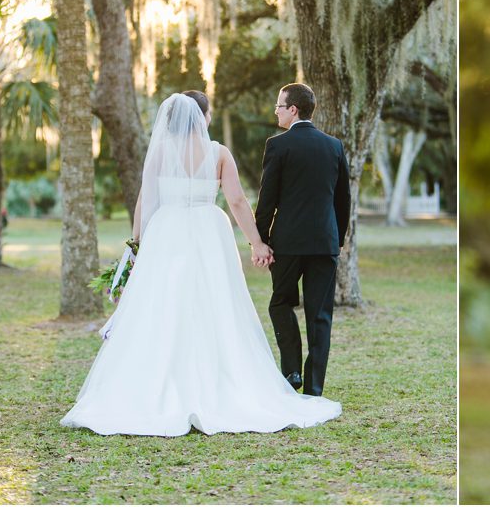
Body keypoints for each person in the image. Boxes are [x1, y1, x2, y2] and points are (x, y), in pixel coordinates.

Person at [61, 91, 341, 436]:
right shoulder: (218, 153)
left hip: (166, 231)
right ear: (203, 117)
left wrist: (137, 244)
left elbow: (144, 200)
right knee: (215, 303)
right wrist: (258, 242)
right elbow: (237, 201)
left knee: (163, 304)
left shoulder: (161, 151)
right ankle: (218, 381)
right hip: (209, 232)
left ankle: (155, 383)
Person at [255, 83, 351, 397]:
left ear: (293, 109)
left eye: (279, 106)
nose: (276, 111)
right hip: (325, 242)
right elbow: (343, 200)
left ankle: (292, 369)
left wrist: (262, 239)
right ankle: (314, 386)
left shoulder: (277, 145)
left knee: (281, 302)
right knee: (320, 313)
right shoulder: (334, 146)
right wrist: (337, 238)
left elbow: (267, 198)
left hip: (288, 243)